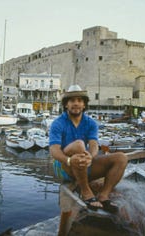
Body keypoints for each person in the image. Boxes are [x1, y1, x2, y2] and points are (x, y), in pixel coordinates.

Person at [49, 84, 128, 213]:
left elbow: (93, 144)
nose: (76, 104)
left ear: (84, 105)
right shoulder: (58, 123)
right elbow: (54, 150)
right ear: (66, 105)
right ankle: (86, 192)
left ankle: (104, 195)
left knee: (122, 158)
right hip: (64, 166)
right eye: (72, 100)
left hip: (83, 164)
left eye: (80, 100)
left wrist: (91, 157)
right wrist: (69, 160)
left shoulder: (90, 123)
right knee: (79, 144)